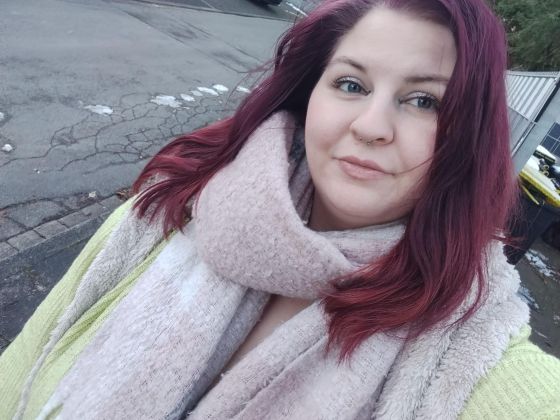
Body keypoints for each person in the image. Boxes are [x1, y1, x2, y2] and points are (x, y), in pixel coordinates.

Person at [1, 0, 559, 418]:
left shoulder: (464, 346)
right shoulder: (174, 208)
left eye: (423, 100)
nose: (370, 126)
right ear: (310, 93)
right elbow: (18, 371)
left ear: (467, 136)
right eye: (351, 84)